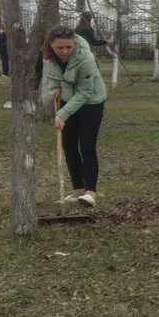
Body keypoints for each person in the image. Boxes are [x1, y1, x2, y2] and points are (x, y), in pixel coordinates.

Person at [43, 25, 108, 207]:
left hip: (91, 102)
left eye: (68, 47)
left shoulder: (86, 58)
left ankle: (90, 193)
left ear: (74, 44)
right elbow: (55, 72)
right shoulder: (51, 54)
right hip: (68, 98)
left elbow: (85, 93)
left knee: (87, 146)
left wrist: (62, 114)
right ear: (51, 46)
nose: (64, 51)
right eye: (60, 48)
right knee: (68, 144)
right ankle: (78, 190)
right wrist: (54, 86)